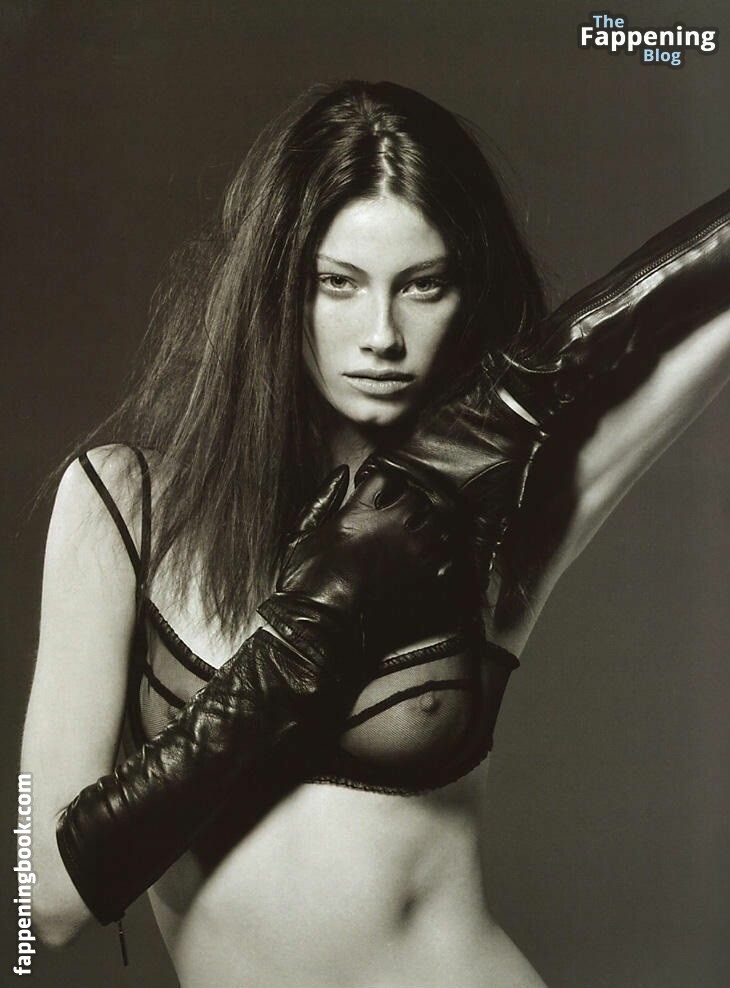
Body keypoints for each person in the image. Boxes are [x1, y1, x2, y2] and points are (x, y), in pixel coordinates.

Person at [21, 80, 729, 988]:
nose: (382, 335)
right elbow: (43, 902)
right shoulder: (124, 501)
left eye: (423, 285)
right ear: (276, 288)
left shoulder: (495, 514)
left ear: (465, 291)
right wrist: (313, 627)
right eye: (338, 283)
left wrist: (544, 374)